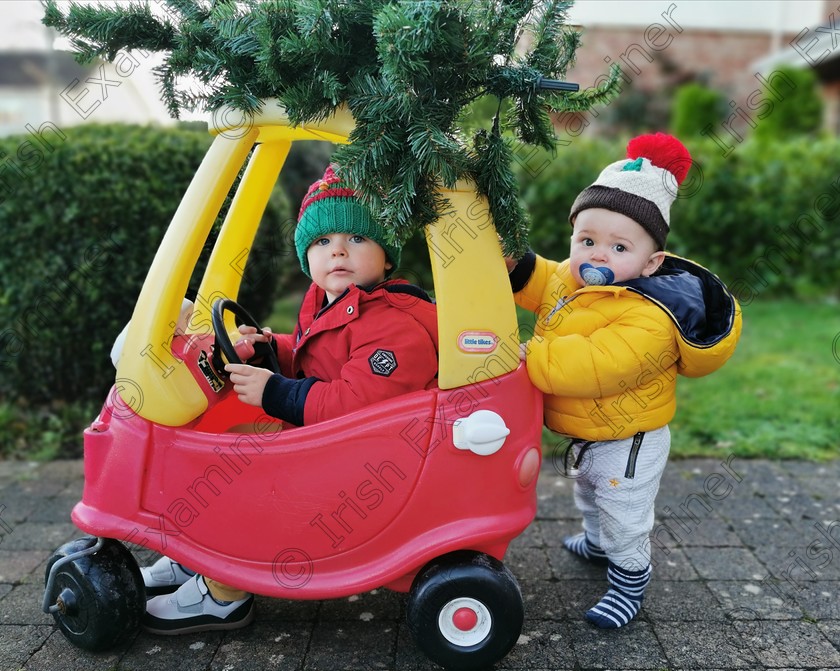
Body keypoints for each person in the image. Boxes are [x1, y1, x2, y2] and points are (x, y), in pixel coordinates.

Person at [140, 164, 439, 634]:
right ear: (307, 256)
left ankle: (223, 594)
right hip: (329, 441)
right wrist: (271, 345)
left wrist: (275, 391)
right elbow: (312, 355)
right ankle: (196, 554)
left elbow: (360, 404)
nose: (337, 250)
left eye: (356, 239)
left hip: (366, 462)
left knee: (234, 474)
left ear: (386, 258)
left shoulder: (394, 323)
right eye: (322, 242)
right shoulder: (326, 300)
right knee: (214, 445)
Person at [506, 133, 741, 629]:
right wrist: (509, 264)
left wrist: (534, 356)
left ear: (650, 262)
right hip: (588, 435)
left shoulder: (651, 318)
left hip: (628, 439)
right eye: (586, 240)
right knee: (587, 495)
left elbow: (599, 363)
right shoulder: (571, 279)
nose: (597, 255)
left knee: (623, 512)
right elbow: (539, 278)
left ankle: (629, 579)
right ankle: (595, 544)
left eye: (618, 246)